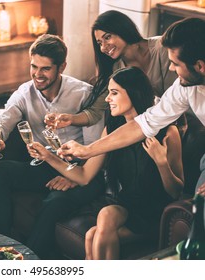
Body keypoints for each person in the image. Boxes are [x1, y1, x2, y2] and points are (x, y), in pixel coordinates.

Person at [30, 66, 184, 259]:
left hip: (156, 214)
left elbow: (176, 191)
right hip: (127, 206)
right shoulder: (112, 129)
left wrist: (162, 162)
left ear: (134, 93)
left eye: (114, 93)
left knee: (92, 235)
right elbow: (84, 176)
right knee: (99, 224)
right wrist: (47, 156)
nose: (107, 98)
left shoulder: (168, 132)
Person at [58, 18, 205, 212]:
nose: (171, 68)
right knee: (199, 211)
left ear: (200, 66)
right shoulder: (184, 87)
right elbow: (141, 125)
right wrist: (87, 151)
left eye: (175, 64)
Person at [0, 34, 105, 259]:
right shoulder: (25, 92)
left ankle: (28, 261)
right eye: (34, 66)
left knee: (55, 202)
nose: (37, 75)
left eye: (45, 69)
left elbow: (95, 147)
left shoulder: (83, 95)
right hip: (46, 163)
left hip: (83, 169)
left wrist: (73, 176)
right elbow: (5, 118)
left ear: (62, 67)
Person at [46, 10, 177, 128]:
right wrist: (70, 119)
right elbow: (95, 111)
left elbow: (175, 97)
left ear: (123, 30)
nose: (103, 48)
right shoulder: (116, 67)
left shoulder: (162, 49)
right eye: (99, 43)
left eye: (107, 37)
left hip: (177, 121)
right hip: (148, 124)